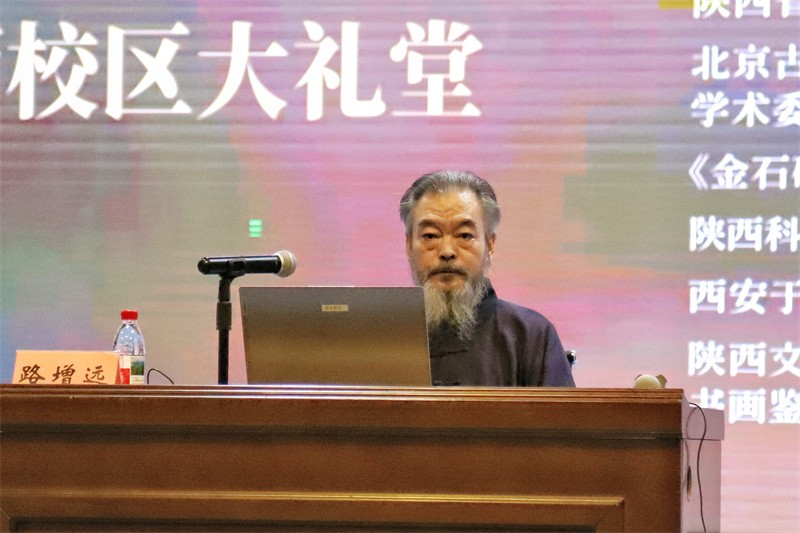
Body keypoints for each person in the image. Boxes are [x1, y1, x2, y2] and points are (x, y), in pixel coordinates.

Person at [400, 170, 575, 387]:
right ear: (409, 245)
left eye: (464, 235)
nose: (447, 251)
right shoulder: (382, 338)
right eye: (430, 236)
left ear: (490, 244)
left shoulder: (530, 335)